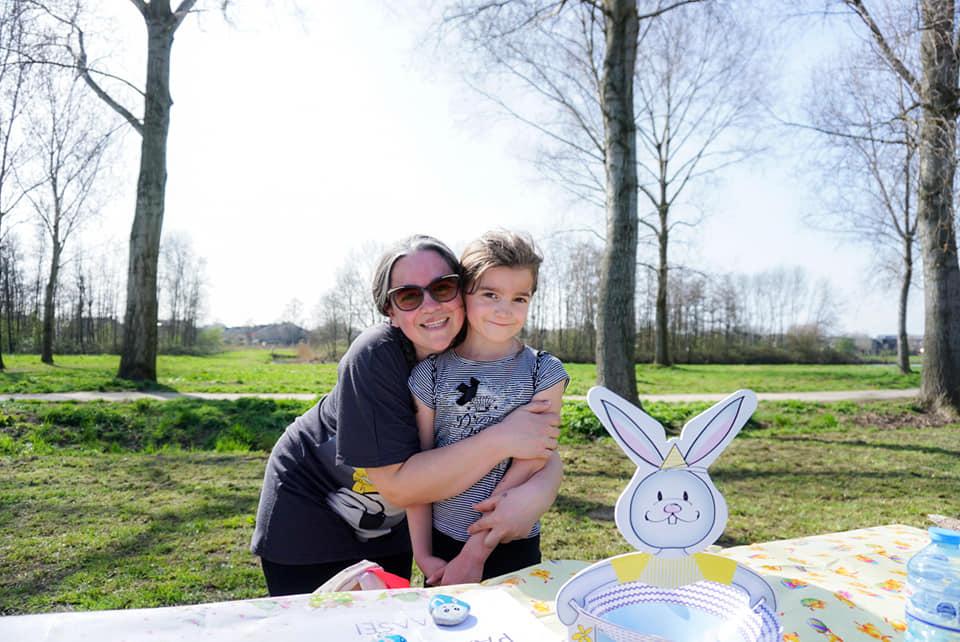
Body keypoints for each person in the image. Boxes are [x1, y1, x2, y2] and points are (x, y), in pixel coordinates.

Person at [250, 235, 562, 596]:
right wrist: (503, 439)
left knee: (386, 620)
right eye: (409, 296)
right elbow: (401, 486)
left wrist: (539, 490)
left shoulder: (486, 344)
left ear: (462, 291)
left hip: (390, 522)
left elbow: (538, 441)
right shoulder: (373, 355)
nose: (430, 306)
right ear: (390, 311)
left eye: (443, 288)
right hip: (314, 507)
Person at [407, 231, 569, 585]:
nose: (504, 310)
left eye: (519, 298)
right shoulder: (430, 374)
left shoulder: (544, 371)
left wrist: (475, 553)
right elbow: (417, 472)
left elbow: (534, 458)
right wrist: (422, 553)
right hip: (443, 543)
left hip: (513, 542)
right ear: (464, 292)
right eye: (490, 294)